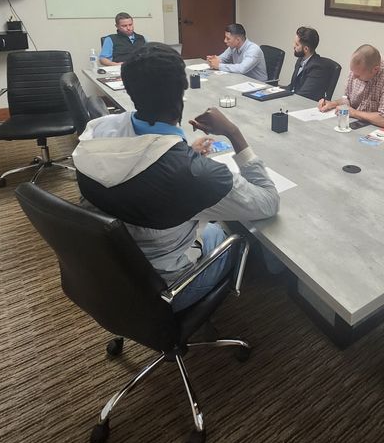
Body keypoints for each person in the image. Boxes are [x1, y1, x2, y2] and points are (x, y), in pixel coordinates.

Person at [73, 43, 279, 310]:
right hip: (165, 290)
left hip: (110, 274)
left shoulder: (97, 131)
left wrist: (180, 151)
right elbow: (268, 202)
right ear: (183, 90)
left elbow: (139, 161)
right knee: (227, 231)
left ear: (129, 86)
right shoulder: (196, 175)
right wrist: (234, 133)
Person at [318, 44, 384, 131]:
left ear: (375, 70)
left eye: (358, 75)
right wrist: (333, 104)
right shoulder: (357, 69)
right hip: (358, 124)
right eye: (352, 71)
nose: (354, 77)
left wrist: (354, 113)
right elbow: (347, 99)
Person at [284, 26, 331, 101]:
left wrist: (284, 99)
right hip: (294, 100)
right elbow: (293, 85)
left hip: (305, 105)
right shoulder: (300, 59)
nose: (293, 46)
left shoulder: (318, 68)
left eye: (297, 44)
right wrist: (276, 91)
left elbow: (304, 94)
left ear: (306, 49)